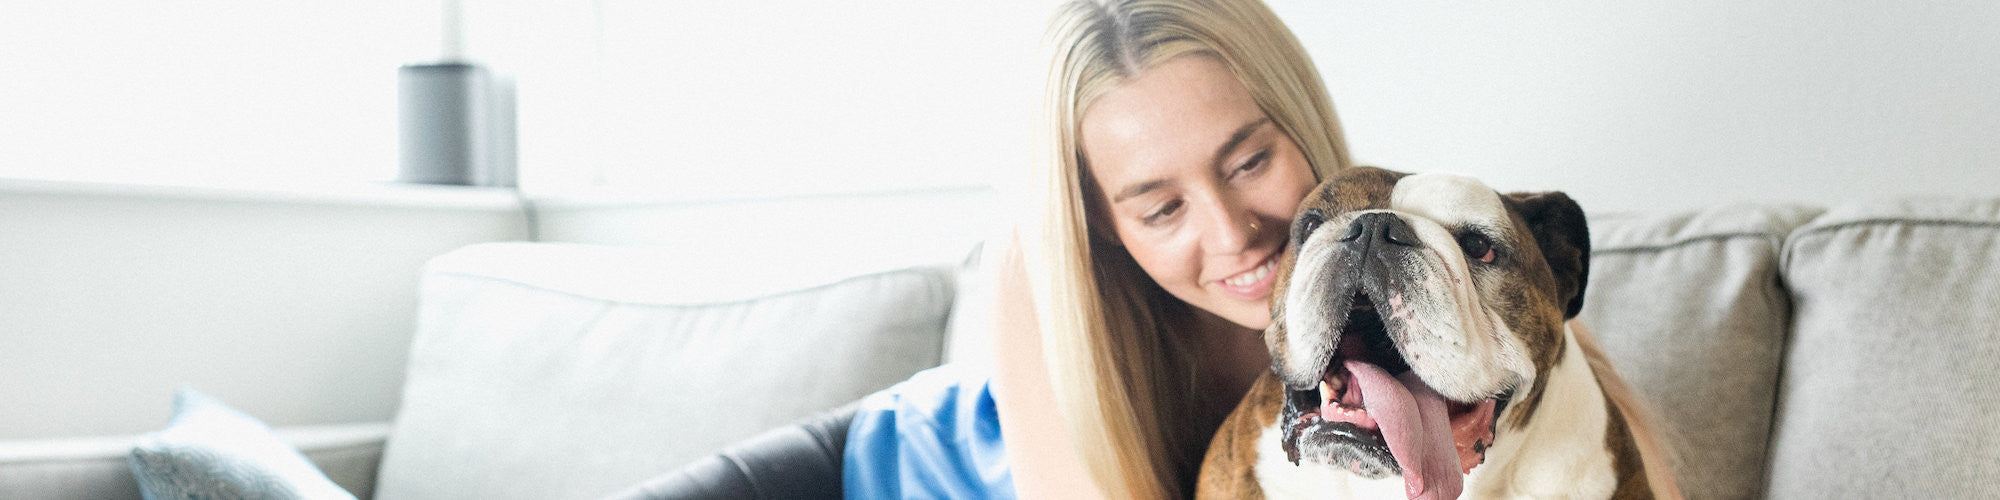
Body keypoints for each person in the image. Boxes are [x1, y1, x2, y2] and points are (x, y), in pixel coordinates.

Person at [607, 0, 1350, 497]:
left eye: (1250, 162)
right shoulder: (1042, 265)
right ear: (1098, 222)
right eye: (1161, 210)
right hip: (878, 470)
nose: (1231, 233)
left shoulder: (1389, 250)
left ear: (1300, 118)